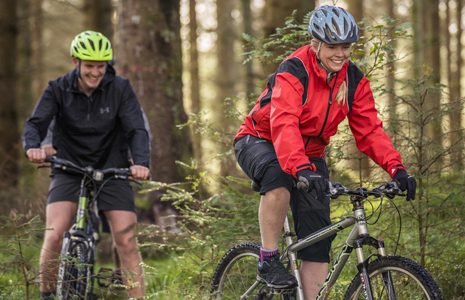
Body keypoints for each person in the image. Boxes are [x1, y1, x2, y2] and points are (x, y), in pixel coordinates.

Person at [233, 5, 416, 299]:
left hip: (309, 154)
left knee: (317, 247)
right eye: (332, 46)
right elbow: (284, 123)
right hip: (260, 139)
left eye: (346, 46)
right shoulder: (294, 70)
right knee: (278, 180)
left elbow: (369, 130)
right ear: (315, 43)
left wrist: (397, 169)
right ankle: (267, 259)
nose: (340, 53)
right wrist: (300, 168)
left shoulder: (352, 80)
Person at [22, 30, 150, 299]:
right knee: (55, 233)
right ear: (75, 62)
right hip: (69, 166)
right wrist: (32, 147)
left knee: (126, 240)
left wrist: (140, 162)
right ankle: (47, 294)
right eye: (89, 66)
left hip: (112, 167)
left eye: (100, 66)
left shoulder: (120, 89)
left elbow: (136, 128)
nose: (95, 72)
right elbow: (36, 123)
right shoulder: (57, 88)